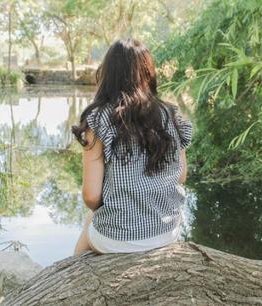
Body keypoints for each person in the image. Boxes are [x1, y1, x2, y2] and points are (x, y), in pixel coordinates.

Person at [71, 38, 192, 255]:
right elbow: (181, 176)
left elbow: (91, 196)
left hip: (117, 240)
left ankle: (73, 277)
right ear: (149, 74)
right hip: (167, 232)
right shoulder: (172, 115)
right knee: (96, 217)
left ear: (107, 74)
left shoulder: (97, 120)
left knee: (91, 219)